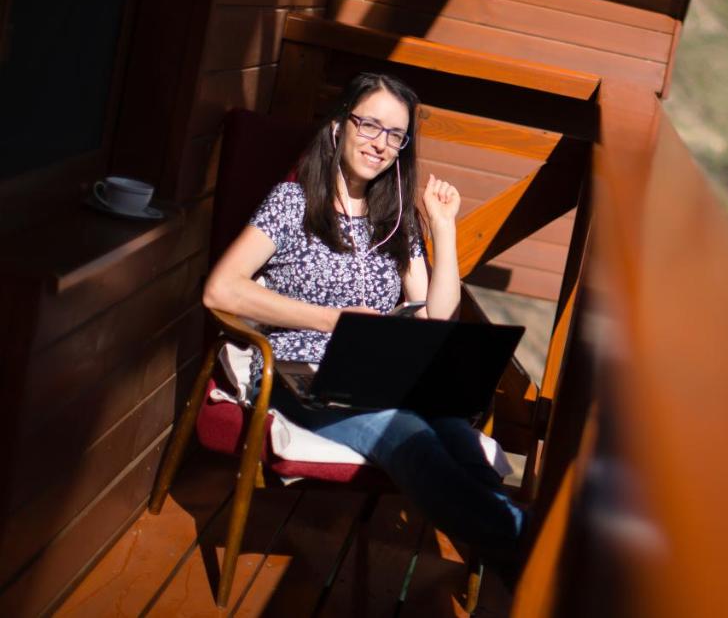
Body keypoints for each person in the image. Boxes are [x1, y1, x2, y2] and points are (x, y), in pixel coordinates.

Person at [202, 72, 522, 556]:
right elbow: (220, 290)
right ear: (338, 128)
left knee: (459, 436)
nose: (380, 144)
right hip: (306, 379)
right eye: (370, 126)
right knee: (410, 437)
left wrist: (443, 228)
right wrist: (332, 320)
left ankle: (519, 552)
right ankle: (529, 547)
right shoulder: (293, 204)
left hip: (387, 376)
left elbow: (439, 317)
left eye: (395, 134)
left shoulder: (395, 219)